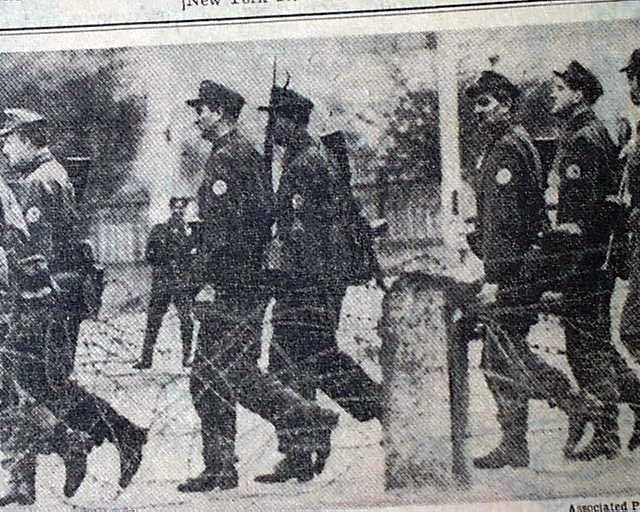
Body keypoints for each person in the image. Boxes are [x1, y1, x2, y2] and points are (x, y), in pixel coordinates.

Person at [178, 80, 339, 493]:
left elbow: (230, 231)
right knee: (216, 375)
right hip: (241, 283)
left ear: (223, 113)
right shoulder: (237, 153)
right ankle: (221, 466)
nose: (197, 117)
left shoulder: (230, 158)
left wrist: (211, 282)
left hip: (233, 285)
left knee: (226, 373)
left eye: (203, 110)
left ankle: (305, 419)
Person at [0, 109, 148, 504]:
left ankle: (115, 435)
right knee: (37, 383)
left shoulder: (39, 181)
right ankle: (30, 475)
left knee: (37, 385)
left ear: (27, 138)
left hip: (49, 296)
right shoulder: (55, 173)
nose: (5, 148)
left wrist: (24, 293)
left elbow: (38, 251)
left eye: (8, 140)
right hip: (64, 293)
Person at [463, 70, 593, 469]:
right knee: (504, 354)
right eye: (476, 104)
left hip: (515, 270)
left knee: (500, 357)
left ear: (505, 103)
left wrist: (496, 280)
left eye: (485, 103)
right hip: (522, 266)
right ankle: (517, 443)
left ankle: (572, 405)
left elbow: (507, 225)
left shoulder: (505, 149)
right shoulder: (512, 143)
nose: (478, 111)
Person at [255, 84, 383, 483]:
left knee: (310, 359)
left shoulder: (308, 162)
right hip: (309, 279)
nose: (270, 127)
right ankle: (302, 451)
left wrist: (282, 258)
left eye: (274, 119)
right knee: (298, 362)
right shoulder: (300, 157)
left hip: (312, 281)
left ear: (291, 121)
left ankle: (381, 406)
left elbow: (313, 230)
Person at [542, 61, 640, 460]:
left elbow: (587, 213)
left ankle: (606, 434)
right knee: (596, 342)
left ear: (579, 93)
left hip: (586, 258)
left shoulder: (584, 138)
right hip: (594, 255)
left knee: (584, 347)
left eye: (560, 88)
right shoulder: (588, 132)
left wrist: (566, 241)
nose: (554, 94)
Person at [134, 196, 196, 369]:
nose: (178, 211)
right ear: (170, 209)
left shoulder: (191, 232)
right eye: (175, 207)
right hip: (162, 282)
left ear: (185, 210)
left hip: (182, 283)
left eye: (181, 208)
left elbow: (195, 259)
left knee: (186, 320)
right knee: (153, 320)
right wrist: (162, 261)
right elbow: (149, 255)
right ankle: (146, 359)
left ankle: (187, 357)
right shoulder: (158, 230)